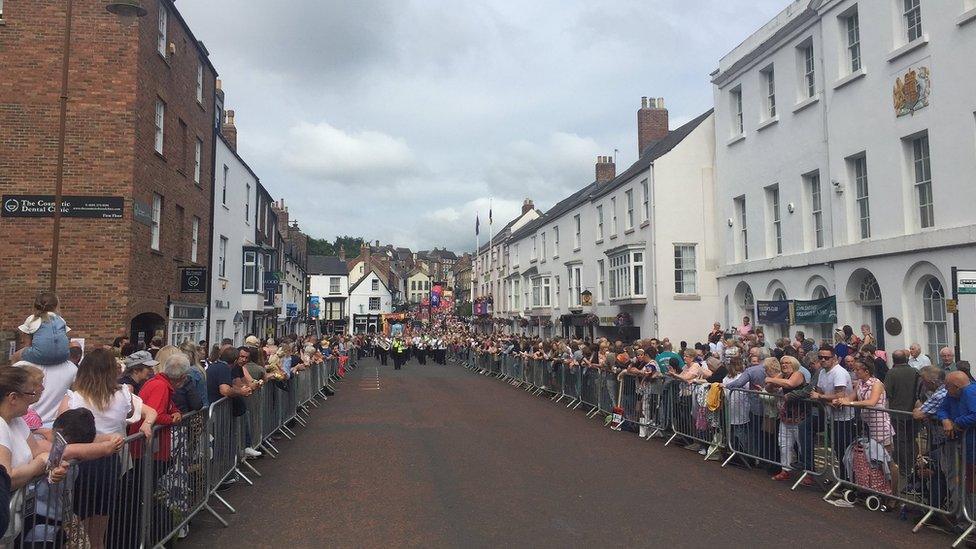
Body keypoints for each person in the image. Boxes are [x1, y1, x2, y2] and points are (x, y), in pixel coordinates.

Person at [58, 348, 155, 549]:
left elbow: (60, 436)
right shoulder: (123, 394)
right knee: (99, 531)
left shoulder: (73, 399)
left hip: (81, 464)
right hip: (111, 462)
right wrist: (146, 425)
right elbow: (150, 412)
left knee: (80, 529)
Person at [809, 345, 855, 475]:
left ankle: (848, 481)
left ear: (834, 358)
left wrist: (821, 397)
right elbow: (818, 391)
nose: (823, 360)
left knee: (844, 451)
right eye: (820, 357)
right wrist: (824, 398)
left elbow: (839, 396)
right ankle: (843, 480)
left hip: (844, 418)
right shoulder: (822, 372)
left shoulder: (839, 372)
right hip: (831, 417)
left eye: (826, 357)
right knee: (836, 450)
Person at [11, 292, 70, 366]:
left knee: (15, 357)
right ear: (56, 306)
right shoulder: (61, 320)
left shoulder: (32, 318)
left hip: (41, 356)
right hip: (63, 356)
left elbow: (27, 344)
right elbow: (65, 339)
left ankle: (13, 376)